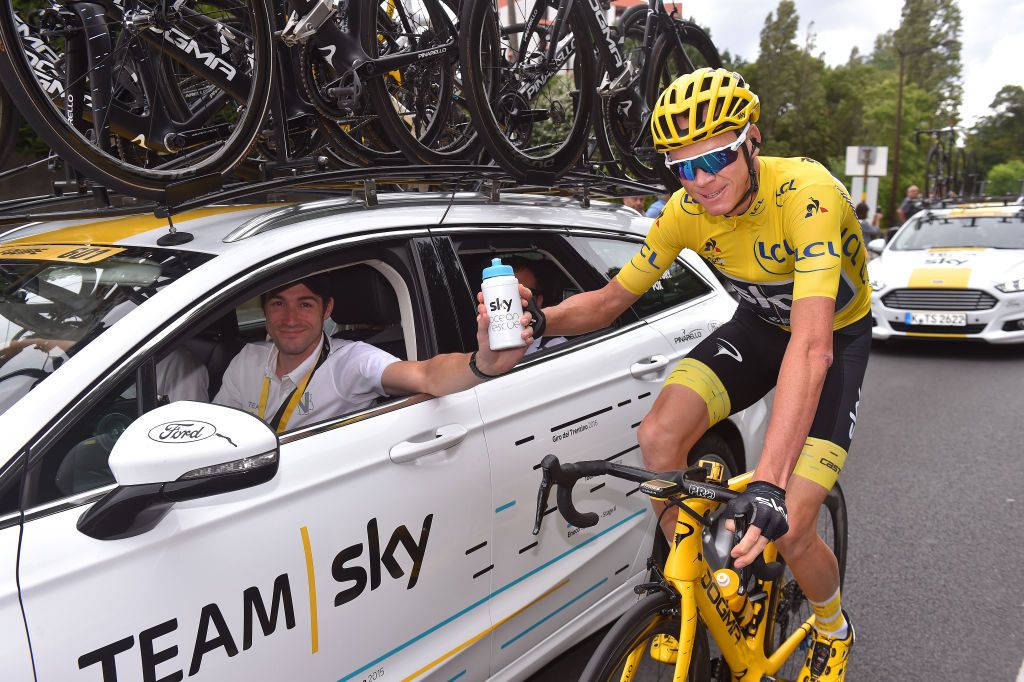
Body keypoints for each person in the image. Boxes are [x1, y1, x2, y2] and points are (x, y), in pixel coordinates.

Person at [532, 68, 867, 681]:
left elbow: (813, 346)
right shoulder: (685, 212)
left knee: (791, 526)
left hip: (832, 340)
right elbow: (608, 302)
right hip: (762, 330)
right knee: (659, 435)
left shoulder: (808, 194)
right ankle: (694, 576)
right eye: (684, 167)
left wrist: (768, 483)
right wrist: (535, 322)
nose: (703, 181)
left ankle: (832, 626)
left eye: (716, 157)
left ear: (752, 141)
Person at [215, 274, 532, 431]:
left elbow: (425, 374)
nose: (290, 319)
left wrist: (483, 363)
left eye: (305, 304)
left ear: (327, 309)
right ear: (265, 310)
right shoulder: (247, 360)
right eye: (278, 303)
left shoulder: (352, 362)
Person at [509, 258, 567, 353]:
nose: (513, 302)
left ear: (539, 300)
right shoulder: (483, 343)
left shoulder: (555, 346)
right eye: (507, 295)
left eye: (524, 294)